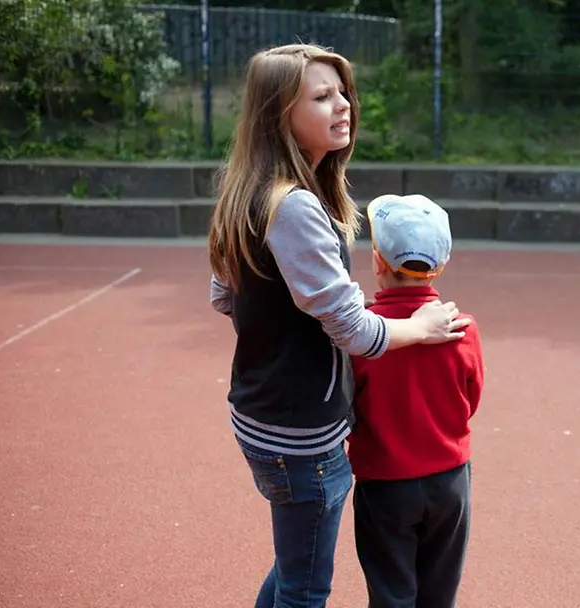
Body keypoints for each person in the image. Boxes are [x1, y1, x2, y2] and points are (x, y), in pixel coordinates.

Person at [205, 44, 472, 608]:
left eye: (342, 92)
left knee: (293, 564)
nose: (343, 105)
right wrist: (420, 327)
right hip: (301, 431)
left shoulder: (245, 188)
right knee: (305, 589)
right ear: (280, 114)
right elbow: (355, 332)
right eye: (322, 97)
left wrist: (279, 335)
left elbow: (224, 295)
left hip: (262, 411)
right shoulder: (295, 206)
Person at [347, 193, 485, 608]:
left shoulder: (363, 335)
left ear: (377, 262)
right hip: (449, 478)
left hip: (385, 482)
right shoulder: (463, 327)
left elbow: (347, 405)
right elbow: (471, 396)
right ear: (440, 266)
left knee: (390, 591)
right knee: (439, 591)